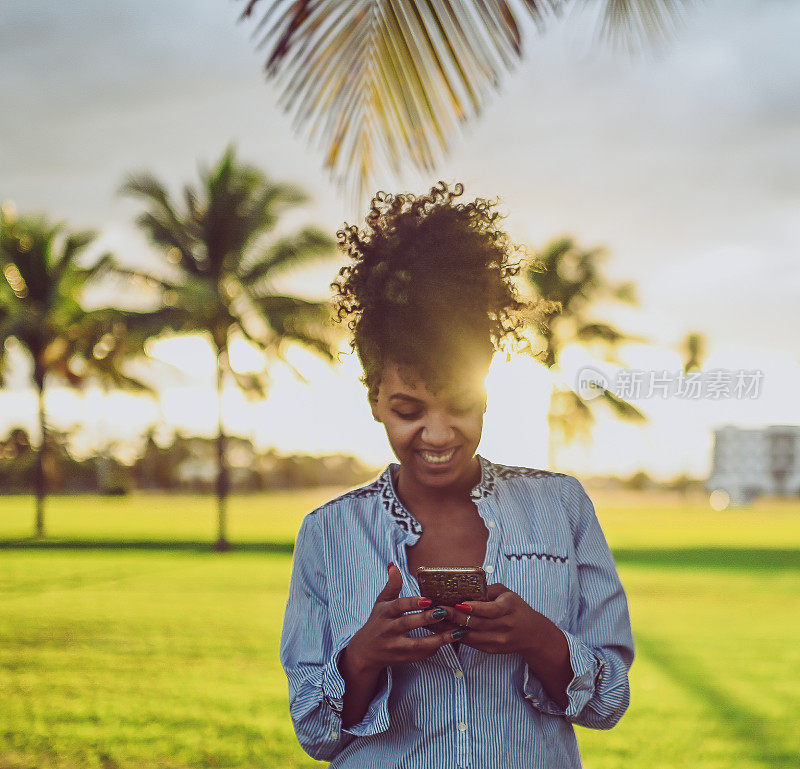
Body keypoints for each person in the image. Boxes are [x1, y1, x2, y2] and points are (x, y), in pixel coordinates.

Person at [279, 182, 635, 768]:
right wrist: (364, 656)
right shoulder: (326, 532)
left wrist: (538, 638)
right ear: (373, 399)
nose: (439, 434)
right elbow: (316, 735)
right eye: (408, 410)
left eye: (460, 404)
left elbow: (609, 701)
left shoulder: (561, 507)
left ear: (489, 390)